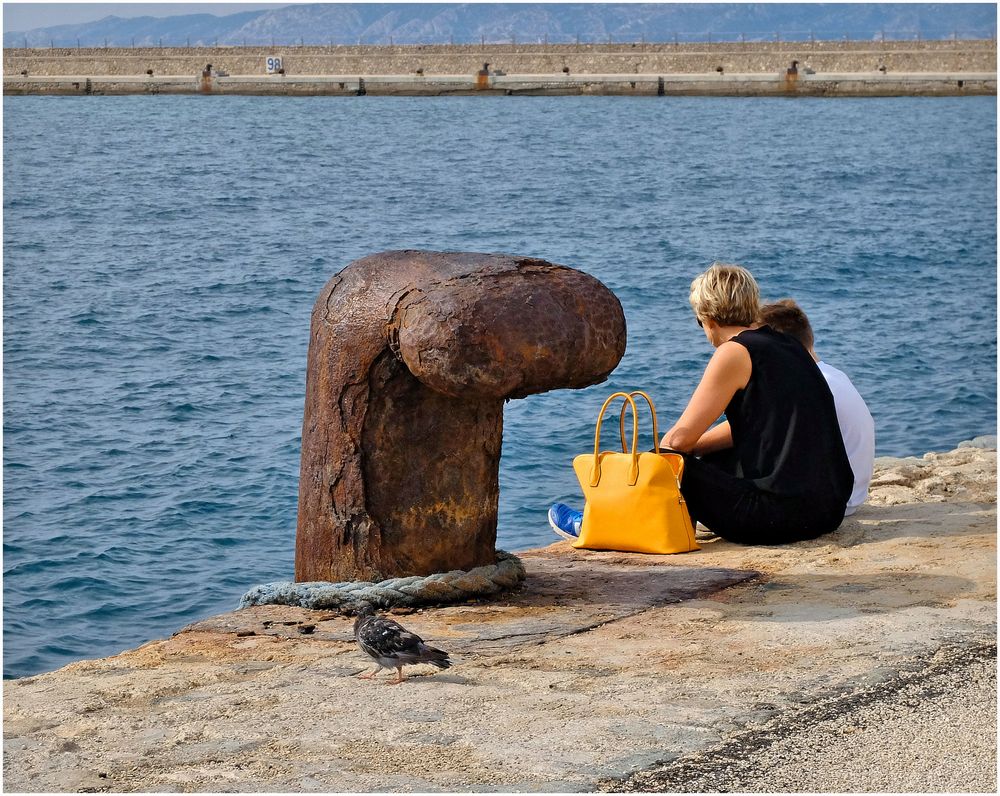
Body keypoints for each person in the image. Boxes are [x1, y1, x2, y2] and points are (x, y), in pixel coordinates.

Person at [550, 262, 854, 545]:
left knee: (669, 460)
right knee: (708, 457)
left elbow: (680, 439)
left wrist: (655, 459)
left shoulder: (734, 352)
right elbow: (764, 427)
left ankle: (600, 522)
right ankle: (675, 517)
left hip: (780, 517)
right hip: (828, 509)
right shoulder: (788, 345)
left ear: (708, 319)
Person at [759, 299, 875, 516]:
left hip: (832, 501)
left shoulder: (806, 385)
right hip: (851, 495)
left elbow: (741, 432)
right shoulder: (832, 375)